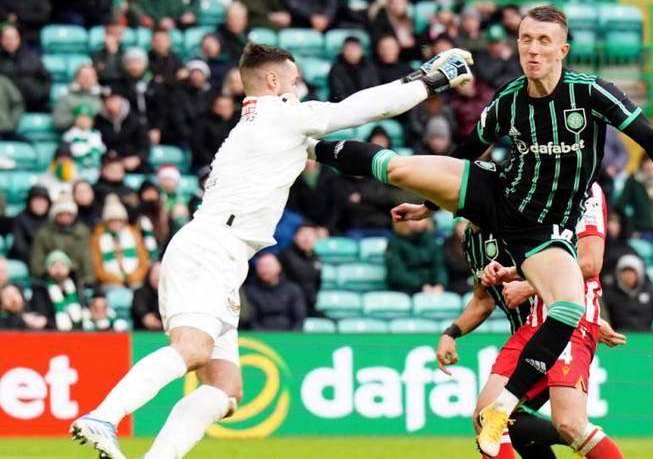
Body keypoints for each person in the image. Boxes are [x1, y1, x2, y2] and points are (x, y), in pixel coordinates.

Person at [310, 5, 653, 456]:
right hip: (496, 193)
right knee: (397, 167)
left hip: (541, 230)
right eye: (525, 39)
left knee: (569, 306)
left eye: (543, 41)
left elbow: (650, 137)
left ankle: (506, 406)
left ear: (562, 49)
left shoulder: (590, 93)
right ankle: (309, 144)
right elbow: (469, 150)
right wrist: (429, 202)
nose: (532, 49)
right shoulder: (509, 99)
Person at [70, 42, 473, 458]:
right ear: (274, 80)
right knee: (192, 350)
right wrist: (430, 81)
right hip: (211, 248)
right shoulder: (282, 114)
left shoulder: (264, 125)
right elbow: (367, 108)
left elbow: (335, 150)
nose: (299, 87)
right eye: (294, 80)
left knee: (225, 389)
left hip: (221, 254)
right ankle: (104, 415)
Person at [439, 182, 626, 458]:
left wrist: (525, 283)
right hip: (534, 323)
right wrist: (452, 331)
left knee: (569, 424)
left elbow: (589, 263)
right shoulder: (534, 188)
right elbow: (486, 296)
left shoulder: (586, 190)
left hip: (567, 318)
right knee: (485, 416)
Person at [29, 193, 94, 284]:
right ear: (55, 215)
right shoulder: (43, 234)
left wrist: (87, 280)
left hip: (76, 279)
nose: (65, 217)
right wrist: (53, 269)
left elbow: (87, 259)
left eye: (68, 214)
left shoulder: (82, 232)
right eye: (61, 214)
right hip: (48, 279)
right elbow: (37, 263)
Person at [90, 194, 150, 288]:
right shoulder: (98, 238)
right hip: (110, 283)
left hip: (135, 280)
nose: (115, 224)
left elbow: (143, 261)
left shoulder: (134, 234)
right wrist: (116, 279)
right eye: (112, 221)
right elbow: (97, 267)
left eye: (119, 220)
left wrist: (134, 277)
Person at [604, 254, 653, 332]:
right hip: (619, 337)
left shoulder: (651, 292)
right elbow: (604, 317)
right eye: (625, 272)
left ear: (639, 273)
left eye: (632, 272)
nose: (628, 276)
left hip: (645, 337)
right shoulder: (610, 294)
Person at [244, 253, 306, 331]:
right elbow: (252, 321)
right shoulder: (250, 291)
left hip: (289, 337)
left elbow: (299, 320)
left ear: (278, 267)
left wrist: (290, 338)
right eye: (260, 266)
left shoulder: (293, 290)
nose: (264, 270)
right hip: (260, 338)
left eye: (267, 266)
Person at [29, 250, 88, 331]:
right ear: (48, 269)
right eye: (54, 266)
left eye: (62, 265)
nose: (58, 270)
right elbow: (42, 315)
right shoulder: (40, 288)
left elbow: (83, 309)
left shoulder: (76, 285)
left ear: (68, 268)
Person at [386, 217, 447, 295]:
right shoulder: (394, 242)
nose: (418, 222)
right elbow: (397, 273)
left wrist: (440, 284)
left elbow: (439, 266)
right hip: (405, 288)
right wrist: (421, 285)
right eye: (413, 219)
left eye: (421, 218)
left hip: (430, 287)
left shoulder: (431, 240)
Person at [0, 23, 50, 112]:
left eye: (13, 38)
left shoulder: (32, 58)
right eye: (6, 38)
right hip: (6, 105)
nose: (9, 41)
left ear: (19, 39)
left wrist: (40, 95)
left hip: (31, 102)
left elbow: (46, 79)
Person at [95, 93, 150, 173]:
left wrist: (138, 158)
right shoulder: (99, 121)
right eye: (108, 100)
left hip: (135, 163)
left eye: (114, 99)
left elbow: (145, 145)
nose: (111, 104)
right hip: (109, 165)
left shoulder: (134, 119)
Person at [278, 224, 323, 316]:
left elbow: (318, 283)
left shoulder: (317, 259)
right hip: (287, 306)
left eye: (310, 236)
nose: (307, 239)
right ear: (294, 237)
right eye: (303, 235)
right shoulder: (285, 256)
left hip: (309, 305)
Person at [191, 94, 237, 170]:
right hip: (206, 164)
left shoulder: (238, 124)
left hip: (231, 164)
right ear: (214, 107)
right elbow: (197, 146)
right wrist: (214, 161)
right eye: (221, 107)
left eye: (227, 107)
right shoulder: (202, 122)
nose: (224, 110)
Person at [53, 64, 103, 132]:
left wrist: (92, 122)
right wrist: (75, 120)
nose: (87, 79)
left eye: (90, 76)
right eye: (83, 76)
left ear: (96, 78)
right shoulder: (66, 97)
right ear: (76, 78)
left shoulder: (102, 97)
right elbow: (57, 122)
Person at [328, 36, 380, 102]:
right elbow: (338, 93)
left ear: (361, 51)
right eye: (348, 49)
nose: (351, 53)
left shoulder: (369, 67)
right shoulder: (336, 68)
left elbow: (374, 89)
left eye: (354, 49)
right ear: (343, 51)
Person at [9, 186, 52, 264]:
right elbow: (19, 246)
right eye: (36, 200)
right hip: (25, 259)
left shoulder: (52, 220)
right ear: (29, 202)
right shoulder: (19, 219)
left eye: (43, 201)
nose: (40, 204)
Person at [63, 104, 106, 171]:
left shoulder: (96, 134)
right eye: (81, 117)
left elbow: (100, 150)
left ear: (92, 121)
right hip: (75, 167)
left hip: (94, 167)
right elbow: (65, 152)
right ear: (75, 119)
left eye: (87, 118)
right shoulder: (69, 135)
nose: (83, 121)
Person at [133, 261, 163, 331]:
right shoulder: (140, 292)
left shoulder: (173, 295)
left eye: (160, 274)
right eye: (154, 273)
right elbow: (140, 308)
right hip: (142, 332)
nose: (157, 277)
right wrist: (145, 316)